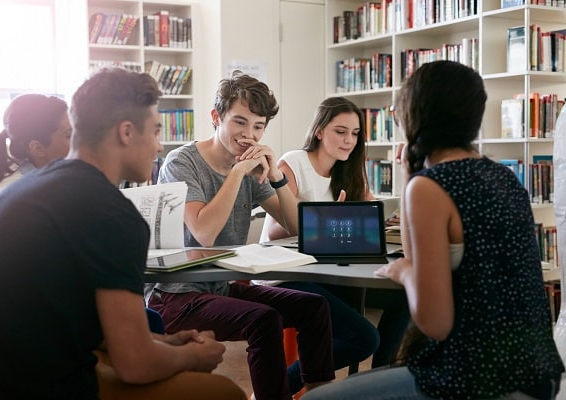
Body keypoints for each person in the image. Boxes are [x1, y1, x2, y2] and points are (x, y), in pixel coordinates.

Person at [0, 67, 246, 400]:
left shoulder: (25, 187)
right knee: (225, 391)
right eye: (156, 131)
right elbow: (136, 364)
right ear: (126, 132)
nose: (159, 146)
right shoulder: (110, 212)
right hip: (28, 388)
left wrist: (166, 342)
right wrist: (193, 357)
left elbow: (68, 320)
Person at [302, 60, 565, 400]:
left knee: (316, 398)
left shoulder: (432, 186)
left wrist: (405, 272)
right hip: (537, 374)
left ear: (414, 113)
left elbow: (434, 323)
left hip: (478, 381)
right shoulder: (503, 176)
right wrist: (410, 175)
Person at [147, 70, 335, 400]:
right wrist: (237, 172)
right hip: (175, 296)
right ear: (216, 117)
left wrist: (275, 176)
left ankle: (321, 395)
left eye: (259, 126)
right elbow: (204, 233)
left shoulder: (252, 167)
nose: (249, 135)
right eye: (240, 122)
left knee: (314, 307)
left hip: (218, 288)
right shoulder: (182, 162)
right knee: (264, 320)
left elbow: (296, 228)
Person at [260, 96, 409, 369]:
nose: (349, 141)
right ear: (319, 131)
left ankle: (379, 376)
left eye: (355, 133)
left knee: (404, 295)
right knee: (363, 337)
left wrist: (387, 219)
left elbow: (368, 218)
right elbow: (273, 232)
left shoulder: (350, 169)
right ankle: (283, 384)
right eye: (340, 132)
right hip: (287, 275)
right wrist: (326, 217)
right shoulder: (294, 163)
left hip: (331, 272)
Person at [0, 93, 71, 228]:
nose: (79, 141)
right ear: (37, 148)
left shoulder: (50, 182)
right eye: (69, 135)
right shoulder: (18, 198)